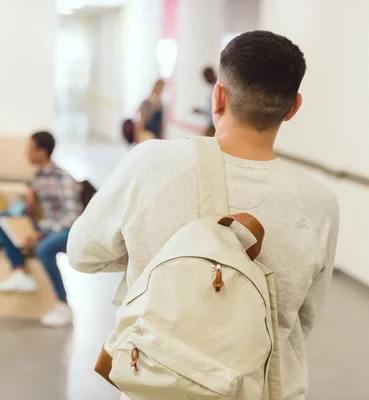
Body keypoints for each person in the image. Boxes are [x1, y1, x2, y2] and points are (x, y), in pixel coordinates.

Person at [68, 30, 339, 400]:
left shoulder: (151, 164)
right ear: (293, 107)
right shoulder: (320, 203)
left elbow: (82, 253)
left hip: (157, 383)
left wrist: (156, 258)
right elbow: (301, 321)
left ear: (219, 96)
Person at [0, 131, 83, 327]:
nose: (26, 153)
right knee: (2, 218)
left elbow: (72, 216)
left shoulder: (62, 177)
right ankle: (20, 272)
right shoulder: (38, 178)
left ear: (41, 152)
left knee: (44, 248)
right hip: (48, 226)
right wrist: (27, 207)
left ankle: (63, 305)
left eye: (30, 149)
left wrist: (41, 232)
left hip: (68, 230)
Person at [192, 66, 218, 136]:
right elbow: (212, 110)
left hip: (215, 126)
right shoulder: (212, 88)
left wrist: (201, 111)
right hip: (212, 125)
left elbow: (215, 110)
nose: (205, 80)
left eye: (206, 77)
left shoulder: (217, 88)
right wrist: (201, 111)